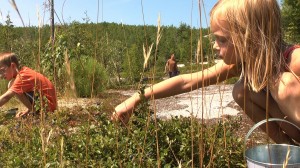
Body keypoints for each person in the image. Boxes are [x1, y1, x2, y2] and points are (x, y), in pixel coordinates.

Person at [113, 0, 300, 145]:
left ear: (250, 38)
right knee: (241, 90)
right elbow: (186, 81)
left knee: (284, 84)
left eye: (222, 40)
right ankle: (286, 150)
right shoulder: (244, 64)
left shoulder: (295, 61)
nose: (214, 45)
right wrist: (135, 99)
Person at [0, 52, 57, 118]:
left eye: (2, 71)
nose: (1, 75)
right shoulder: (24, 71)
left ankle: (36, 113)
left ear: (13, 66)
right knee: (12, 85)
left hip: (48, 107)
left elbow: (5, 97)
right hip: (48, 103)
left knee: (14, 88)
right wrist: (28, 111)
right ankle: (33, 111)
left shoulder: (21, 77)